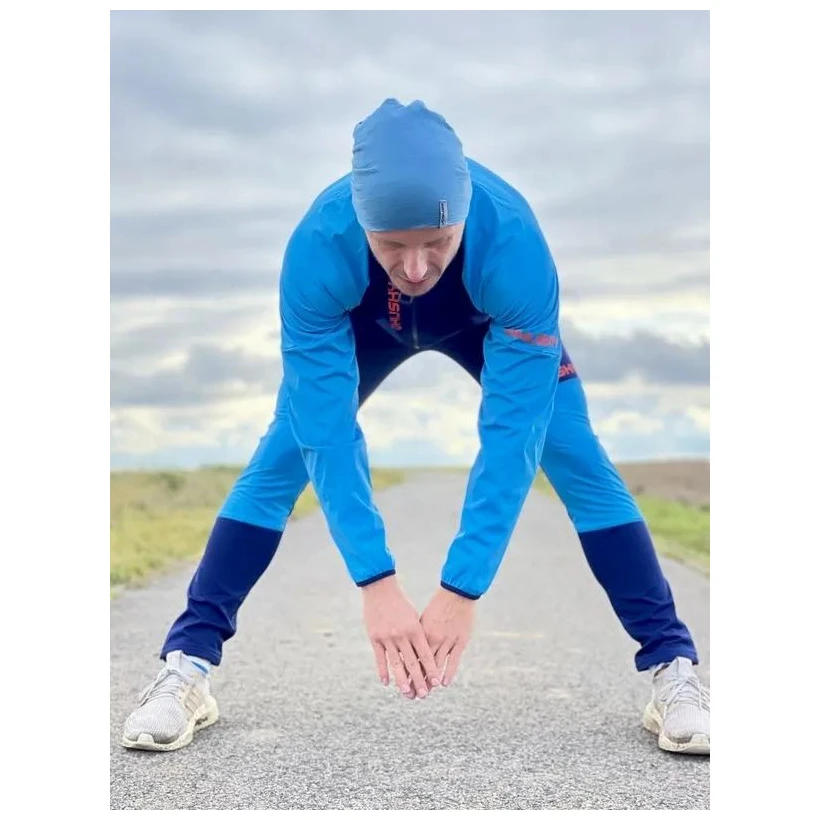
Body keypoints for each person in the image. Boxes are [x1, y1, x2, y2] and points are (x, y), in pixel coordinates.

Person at [121, 98, 710, 756]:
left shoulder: (515, 244)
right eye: (392, 245)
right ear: (360, 219)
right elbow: (329, 439)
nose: (417, 267)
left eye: (438, 241)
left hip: (485, 322)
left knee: (575, 456)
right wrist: (375, 581)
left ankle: (673, 669)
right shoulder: (318, 250)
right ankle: (186, 667)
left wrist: (462, 586)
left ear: (465, 214)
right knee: (283, 458)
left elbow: (512, 438)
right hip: (361, 326)